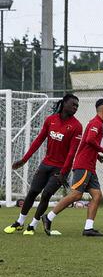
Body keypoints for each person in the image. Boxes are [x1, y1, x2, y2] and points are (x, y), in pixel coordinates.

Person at [5, 93, 82, 235]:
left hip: (60, 169)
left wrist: (64, 173)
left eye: (77, 106)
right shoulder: (50, 120)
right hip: (45, 164)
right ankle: (19, 222)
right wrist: (24, 160)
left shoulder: (77, 126)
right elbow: (38, 141)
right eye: (73, 104)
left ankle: (32, 226)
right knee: (32, 192)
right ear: (64, 103)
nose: (75, 108)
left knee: (46, 195)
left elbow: (72, 153)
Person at [43, 98, 103, 237]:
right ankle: (48, 217)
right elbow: (89, 140)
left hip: (89, 166)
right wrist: (102, 149)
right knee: (76, 194)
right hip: (84, 165)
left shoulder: (97, 123)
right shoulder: (96, 123)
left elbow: (87, 143)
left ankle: (88, 228)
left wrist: (96, 155)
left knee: (97, 195)